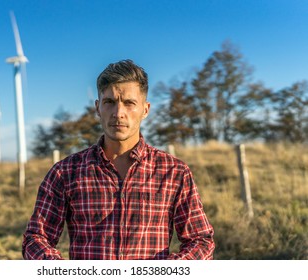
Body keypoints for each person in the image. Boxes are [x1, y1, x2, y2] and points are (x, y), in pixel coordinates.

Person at [22, 59, 215, 260]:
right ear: (98, 108)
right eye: (110, 102)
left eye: (130, 103)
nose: (118, 113)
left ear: (145, 109)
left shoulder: (174, 172)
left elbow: (200, 241)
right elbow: (36, 238)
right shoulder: (66, 172)